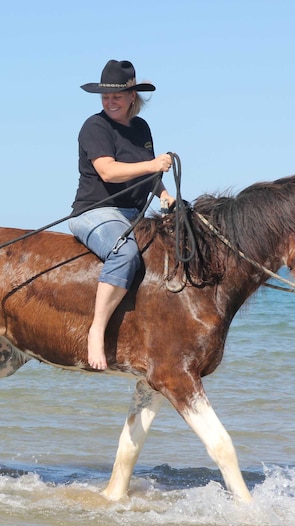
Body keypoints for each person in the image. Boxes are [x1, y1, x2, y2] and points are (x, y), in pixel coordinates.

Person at [68, 59, 175, 371]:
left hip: (133, 213)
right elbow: (109, 171)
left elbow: (147, 174)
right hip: (95, 212)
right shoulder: (95, 127)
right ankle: (96, 332)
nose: (110, 101)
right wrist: (153, 164)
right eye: (105, 96)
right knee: (125, 253)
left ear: (132, 97)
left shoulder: (141, 128)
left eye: (116, 96)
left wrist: (165, 195)